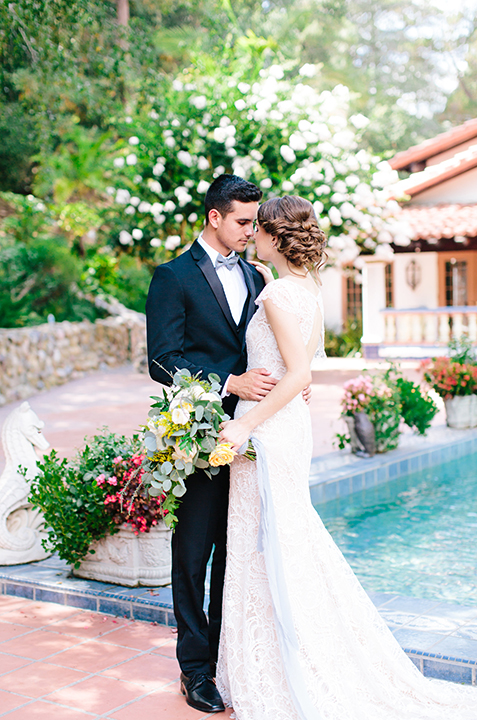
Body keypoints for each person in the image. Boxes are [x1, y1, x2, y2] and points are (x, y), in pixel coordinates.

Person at [217, 195, 477, 720]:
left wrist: (244, 422)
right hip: (284, 422)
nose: (251, 238)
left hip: (268, 427)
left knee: (264, 543)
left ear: (274, 236)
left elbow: (299, 374)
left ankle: (284, 665)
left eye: (258, 230)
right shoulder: (306, 291)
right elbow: (298, 370)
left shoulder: (275, 295)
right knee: (275, 540)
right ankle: (275, 655)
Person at [146, 174, 274, 714]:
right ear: (214, 217)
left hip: (250, 435)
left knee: (236, 551)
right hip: (198, 435)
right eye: (243, 221)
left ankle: (224, 656)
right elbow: (160, 361)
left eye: (255, 220)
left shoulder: (256, 275)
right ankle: (194, 670)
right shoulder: (172, 276)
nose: (251, 230)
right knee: (193, 552)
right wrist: (229, 385)